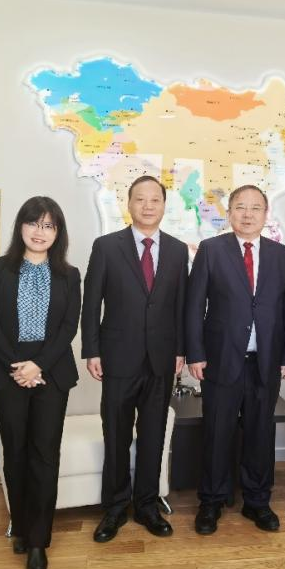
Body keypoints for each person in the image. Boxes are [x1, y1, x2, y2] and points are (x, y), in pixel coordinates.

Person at [186, 185, 285, 535]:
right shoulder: (211, 250)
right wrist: (195, 353)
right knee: (217, 430)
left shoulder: (281, 255)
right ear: (230, 212)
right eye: (240, 207)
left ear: (266, 214)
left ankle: (257, 501)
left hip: (265, 361)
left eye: (255, 208)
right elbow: (194, 306)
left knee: (260, 431)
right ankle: (211, 501)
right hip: (220, 359)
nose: (247, 214)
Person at [81, 175, 188, 542]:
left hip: (161, 359)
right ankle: (114, 508)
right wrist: (92, 350)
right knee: (116, 434)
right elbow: (91, 302)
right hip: (117, 357)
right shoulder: (106, 247)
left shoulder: (177, 250)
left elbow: (181, 305)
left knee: (154, 435)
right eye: (140, 199)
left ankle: (146, 505)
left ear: (164, 206)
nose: (147, 206)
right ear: (128, 204)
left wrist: (181, 350)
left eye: (154, 199)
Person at [0, 197, 81, 569]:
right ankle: (20, 526)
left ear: (58, 233)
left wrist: (38, 365)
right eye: (34, 223)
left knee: (45, 454)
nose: (40, 232)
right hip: (7, 370)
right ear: (20, 226)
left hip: (51, 371)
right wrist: (18, 366)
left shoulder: (70, 275)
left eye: (49, 225)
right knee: (16, 451)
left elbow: (69, 327)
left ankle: (38, 540)